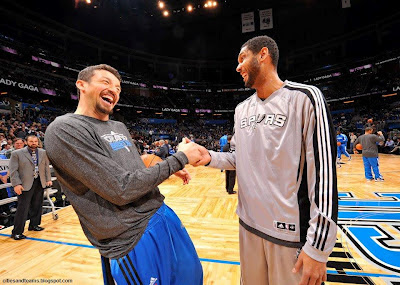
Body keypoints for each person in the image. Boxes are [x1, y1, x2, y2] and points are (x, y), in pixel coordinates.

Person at [191, 35, 338, 285]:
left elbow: (324, 175)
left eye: (242, 58)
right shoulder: (241, 109)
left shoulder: (306, 97)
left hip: (290, 236)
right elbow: (240, 158)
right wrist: (210, 157)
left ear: (263, 54)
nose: (237, 67)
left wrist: (318, 247)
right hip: (248, 226)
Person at [44, 64, 203, 285]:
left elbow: (133, 170)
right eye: (105, 82)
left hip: (161, 213)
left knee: (192, 279)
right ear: (82, 85)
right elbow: (122, 189)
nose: (114, 90)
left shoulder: (117, 126)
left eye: (118, 88)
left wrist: (167, 168)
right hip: (131, 236)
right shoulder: (64, 129)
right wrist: (179, 158)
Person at [9, 135, 52, 240]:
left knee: (37, 205)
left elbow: (46, 166)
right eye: (31, 141)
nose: (33, 143)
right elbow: (13, 171)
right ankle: (17, 232)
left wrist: (48, 179)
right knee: (23, 208)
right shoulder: (16, 154)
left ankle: (34, 225)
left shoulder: (43, 152)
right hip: (24, 184)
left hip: (39, 181)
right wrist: (16, 184)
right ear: (26, 142)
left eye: (35, 141)